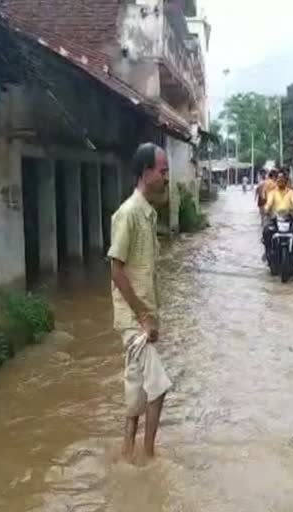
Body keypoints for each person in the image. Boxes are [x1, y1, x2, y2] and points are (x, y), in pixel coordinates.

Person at [109, 143, 172, 461]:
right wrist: (144, 317)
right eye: (163, 171)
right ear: (146, 172)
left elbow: (144, 273)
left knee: (135, 388)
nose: (166, 178)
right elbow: (116, 270)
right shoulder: (129, 213)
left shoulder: (147, 214)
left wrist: (153, 318)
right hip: (134, 321)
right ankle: (149, 458)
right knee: (158, 387)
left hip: (141, 320)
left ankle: (126, 454)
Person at [262, 171, 293, 259]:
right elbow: (269, 203)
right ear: (276, 181)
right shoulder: (272, 193)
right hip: (275, 218)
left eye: (282, 179)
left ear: (286, 181)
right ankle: (268, 251)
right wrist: (266, 210)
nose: (280, 181)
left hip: (289, 217)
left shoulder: (291, 192)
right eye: (279, 179)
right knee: (266, 230)